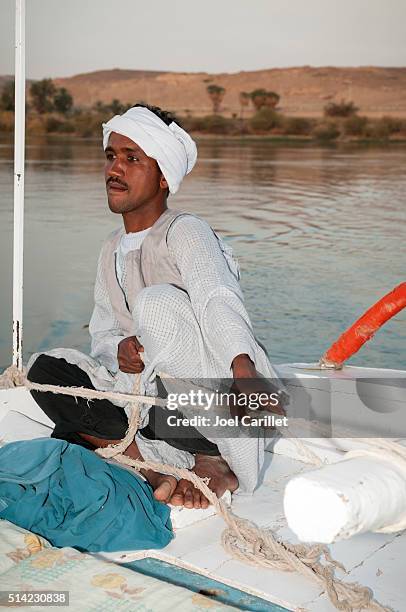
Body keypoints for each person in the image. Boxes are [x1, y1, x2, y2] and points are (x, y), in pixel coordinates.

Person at [27, 104, 286, 510]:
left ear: (163, 177)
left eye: (133, 159)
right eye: (111, 156)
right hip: (150, 407)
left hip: (211, 405)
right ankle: (150, 466)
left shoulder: (187, 230)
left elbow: (218, 298)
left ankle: (214, 459)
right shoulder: (110, 248)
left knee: (158, 304)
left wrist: (243, 370)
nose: (115, 169)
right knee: (44, 371)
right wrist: (121, 349)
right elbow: (104, 334)